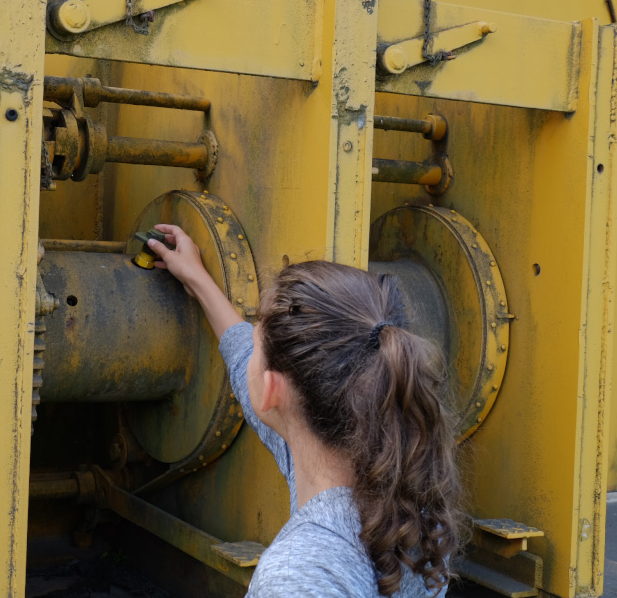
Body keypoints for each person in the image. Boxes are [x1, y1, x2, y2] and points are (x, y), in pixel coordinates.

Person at [146, 224, 464, 598]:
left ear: (272, 390)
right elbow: (243, 355)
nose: (250, 349)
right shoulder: (408, 497)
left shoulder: (295, 576)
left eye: (257, 341)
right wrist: (198, 280)